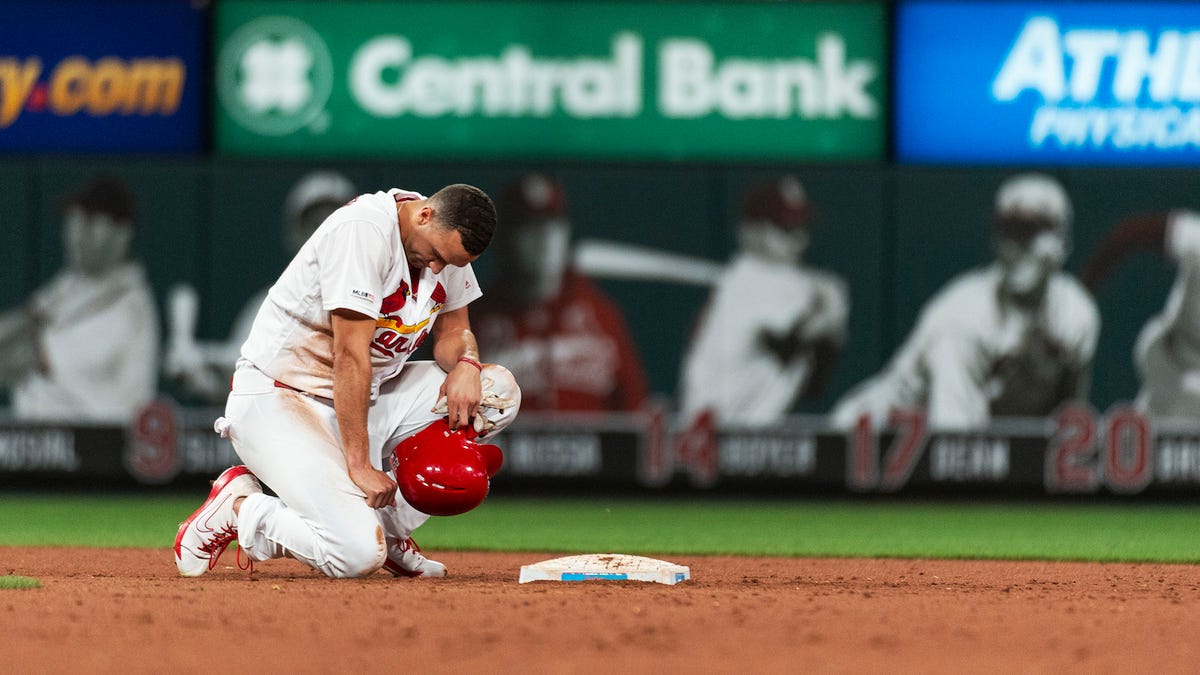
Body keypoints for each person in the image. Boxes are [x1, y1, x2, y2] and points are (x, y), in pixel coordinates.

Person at [174, 182, 521, 579]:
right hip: (283, 399)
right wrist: (359, 465)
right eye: (439, 257)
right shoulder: (364, 231)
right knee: (355, 555)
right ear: (425, 214)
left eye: (452, 262)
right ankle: (242, 511)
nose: (440, 268)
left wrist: (468, 363)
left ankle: (390, 533)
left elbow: (453, 332)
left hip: (365, 398)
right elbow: (350, 356)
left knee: (499, 392)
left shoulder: (446, 247)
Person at [831, 173, 1099, 432]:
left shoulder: (1076, 315)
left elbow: (1065, 429)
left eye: (1031, 232)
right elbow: (954, 448)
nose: (1017, 245)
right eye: (1010, 231)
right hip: (873, 437)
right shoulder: (964, 317)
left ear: (1063, 243)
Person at [163, 170, 358, 403]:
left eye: (336, 224)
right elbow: (240, 390)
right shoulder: (269, 304)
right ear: (295, 234)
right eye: (315, 224)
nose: (324, 235)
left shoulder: (380, 299)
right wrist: (194, 375)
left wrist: (208, 355)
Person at [679, 175, 849, 428]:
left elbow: (814, 384)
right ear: (751, 232)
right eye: (786, 230)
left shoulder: (757, 280)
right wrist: (828, 308)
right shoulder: (758, 279)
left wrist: (830, 318)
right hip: (715, 438)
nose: (800, 240)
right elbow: (793, 338)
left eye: (803, 227)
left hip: (734, 435)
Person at [472, 173, 649, 412]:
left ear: (566, 233)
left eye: (552, 227)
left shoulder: (601, 315)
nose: (544, 241)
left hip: (593, 449)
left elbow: (635, 413)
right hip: (502, 449)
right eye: (529, 228)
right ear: (504, 238)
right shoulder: (474, 320)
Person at [0, 175, 159, 423]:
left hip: (104, 448)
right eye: (73, 221)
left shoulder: (129, 307)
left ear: (123, 233)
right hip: (47, 444)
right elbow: (22, 320)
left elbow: (22, 358)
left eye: (90, 222)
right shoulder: (73, 282)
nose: (76, 233)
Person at [1082, 209, 1200, 420]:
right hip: (1172, 368)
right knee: (1144, 442)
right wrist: (1084, 291)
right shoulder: (1197, 239)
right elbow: (1131, 233)